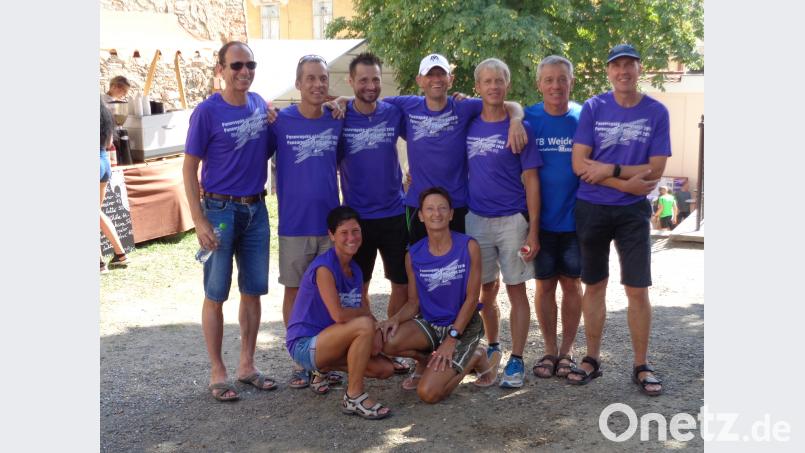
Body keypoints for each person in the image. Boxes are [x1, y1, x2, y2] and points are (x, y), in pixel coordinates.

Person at [570, 44, 670, 396]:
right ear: (608, 72)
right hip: (592, 208)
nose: (623, 71)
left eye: (630, 64)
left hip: (632, 213)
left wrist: (610, 169)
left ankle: (641, 364)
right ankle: (592, 358)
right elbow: (580, 165)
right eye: (617, 66)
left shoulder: (656, 112)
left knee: (637, 289)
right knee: (594, 284)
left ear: (640, 68)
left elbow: (656, 169)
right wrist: (625, 182)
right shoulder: (594, 108)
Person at [182, 41, 277, 402]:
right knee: (216, 292)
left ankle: (247, 365)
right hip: (219, 212)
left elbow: (266, 147)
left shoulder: (259, 105)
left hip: (255, 209)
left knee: (252, 291)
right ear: (220, 69)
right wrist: (199, 219)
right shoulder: (207, 112)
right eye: (236, 65)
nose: (244, 72)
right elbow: (189, 167)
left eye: (250, 65)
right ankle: (218, 371)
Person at [381, 53, 528, 244]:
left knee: (463, 264)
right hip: (419, 204)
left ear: (450, 79)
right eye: (429, 75)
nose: (436, 80)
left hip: (457, 203)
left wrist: (516, 120)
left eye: (441, 74)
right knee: (420, 262)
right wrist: (342, 100)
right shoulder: (407, 104)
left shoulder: (464, 107)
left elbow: (507, 104)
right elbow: (370, 103)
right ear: (420, 80)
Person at [378, 187, 498, 401]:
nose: (437, 214)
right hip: (430, 323)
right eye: (430, 209)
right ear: (421, 216)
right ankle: (427, 360)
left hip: (462, 326)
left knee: (428, 393)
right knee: (384, 341)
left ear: (451, 214)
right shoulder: (413, 255)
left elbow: (472, 298)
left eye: (442, 208)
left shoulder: (468, 246)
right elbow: (413, 303)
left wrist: (452, 338)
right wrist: (394, 319)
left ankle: (475, 355)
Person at [464, 58, 542, 389]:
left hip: (513, 220)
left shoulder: (519, 128)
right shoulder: (468, 121)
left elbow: (531, 180)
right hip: (476, 219)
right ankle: (493, 346)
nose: (493, 86)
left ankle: (518, 359)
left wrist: (534, 229)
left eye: (499, 80)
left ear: (507, 85)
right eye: (487, 81)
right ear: (477, 87)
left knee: (516, 288)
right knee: (484, 291)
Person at [270, 55, 344, 389]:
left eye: (323, 79)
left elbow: (366, 99)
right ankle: (300, 360)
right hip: (294, 225)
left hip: (329, 225)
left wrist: (342, 100)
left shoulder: (336, 118)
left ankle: (324, 360)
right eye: (310, 79)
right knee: (296, 292)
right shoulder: (279, 121)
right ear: (298, 84)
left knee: (329, 294)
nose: (317, 84)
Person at [337, 52, 411, 374]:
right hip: (357, 219)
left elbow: (429, 121)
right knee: (358, 288)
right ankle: (367, 343)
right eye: (363, 79)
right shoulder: (338, 116)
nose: (370, 85)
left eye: (376, 79)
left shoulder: (393, 112)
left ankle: (389, 339)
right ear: (351, 81)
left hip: (394, 212)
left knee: (401, 284)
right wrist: (336, 102)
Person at [286, 206, 394, 419]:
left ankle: (324, 367)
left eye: (356, 231)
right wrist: (368, 320)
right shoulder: (325, 268)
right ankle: (354, 396)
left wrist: (377, 329)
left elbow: (362, 312)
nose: (351, 237)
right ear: (331, 235)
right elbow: (340, 315)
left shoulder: (356, 269)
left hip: (332, 341)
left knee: (384, 369)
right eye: (344, 232)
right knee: (364, 326)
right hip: (304, 344)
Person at [523, 55, 584, 380]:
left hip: (576, 221)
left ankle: (567, 351)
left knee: (572, 286)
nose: (556, 85)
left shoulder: (584, 117)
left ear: (571, 81)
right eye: (549, 80)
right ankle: (549, 348)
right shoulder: (528, 117)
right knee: (544, 286)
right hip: (539, 222)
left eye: (562, 78)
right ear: (539, 85)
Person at [99, 99, 130, 273]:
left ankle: (100, 263)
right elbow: (110, 141)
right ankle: (120, 254)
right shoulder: (105, 114)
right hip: (104, 160)